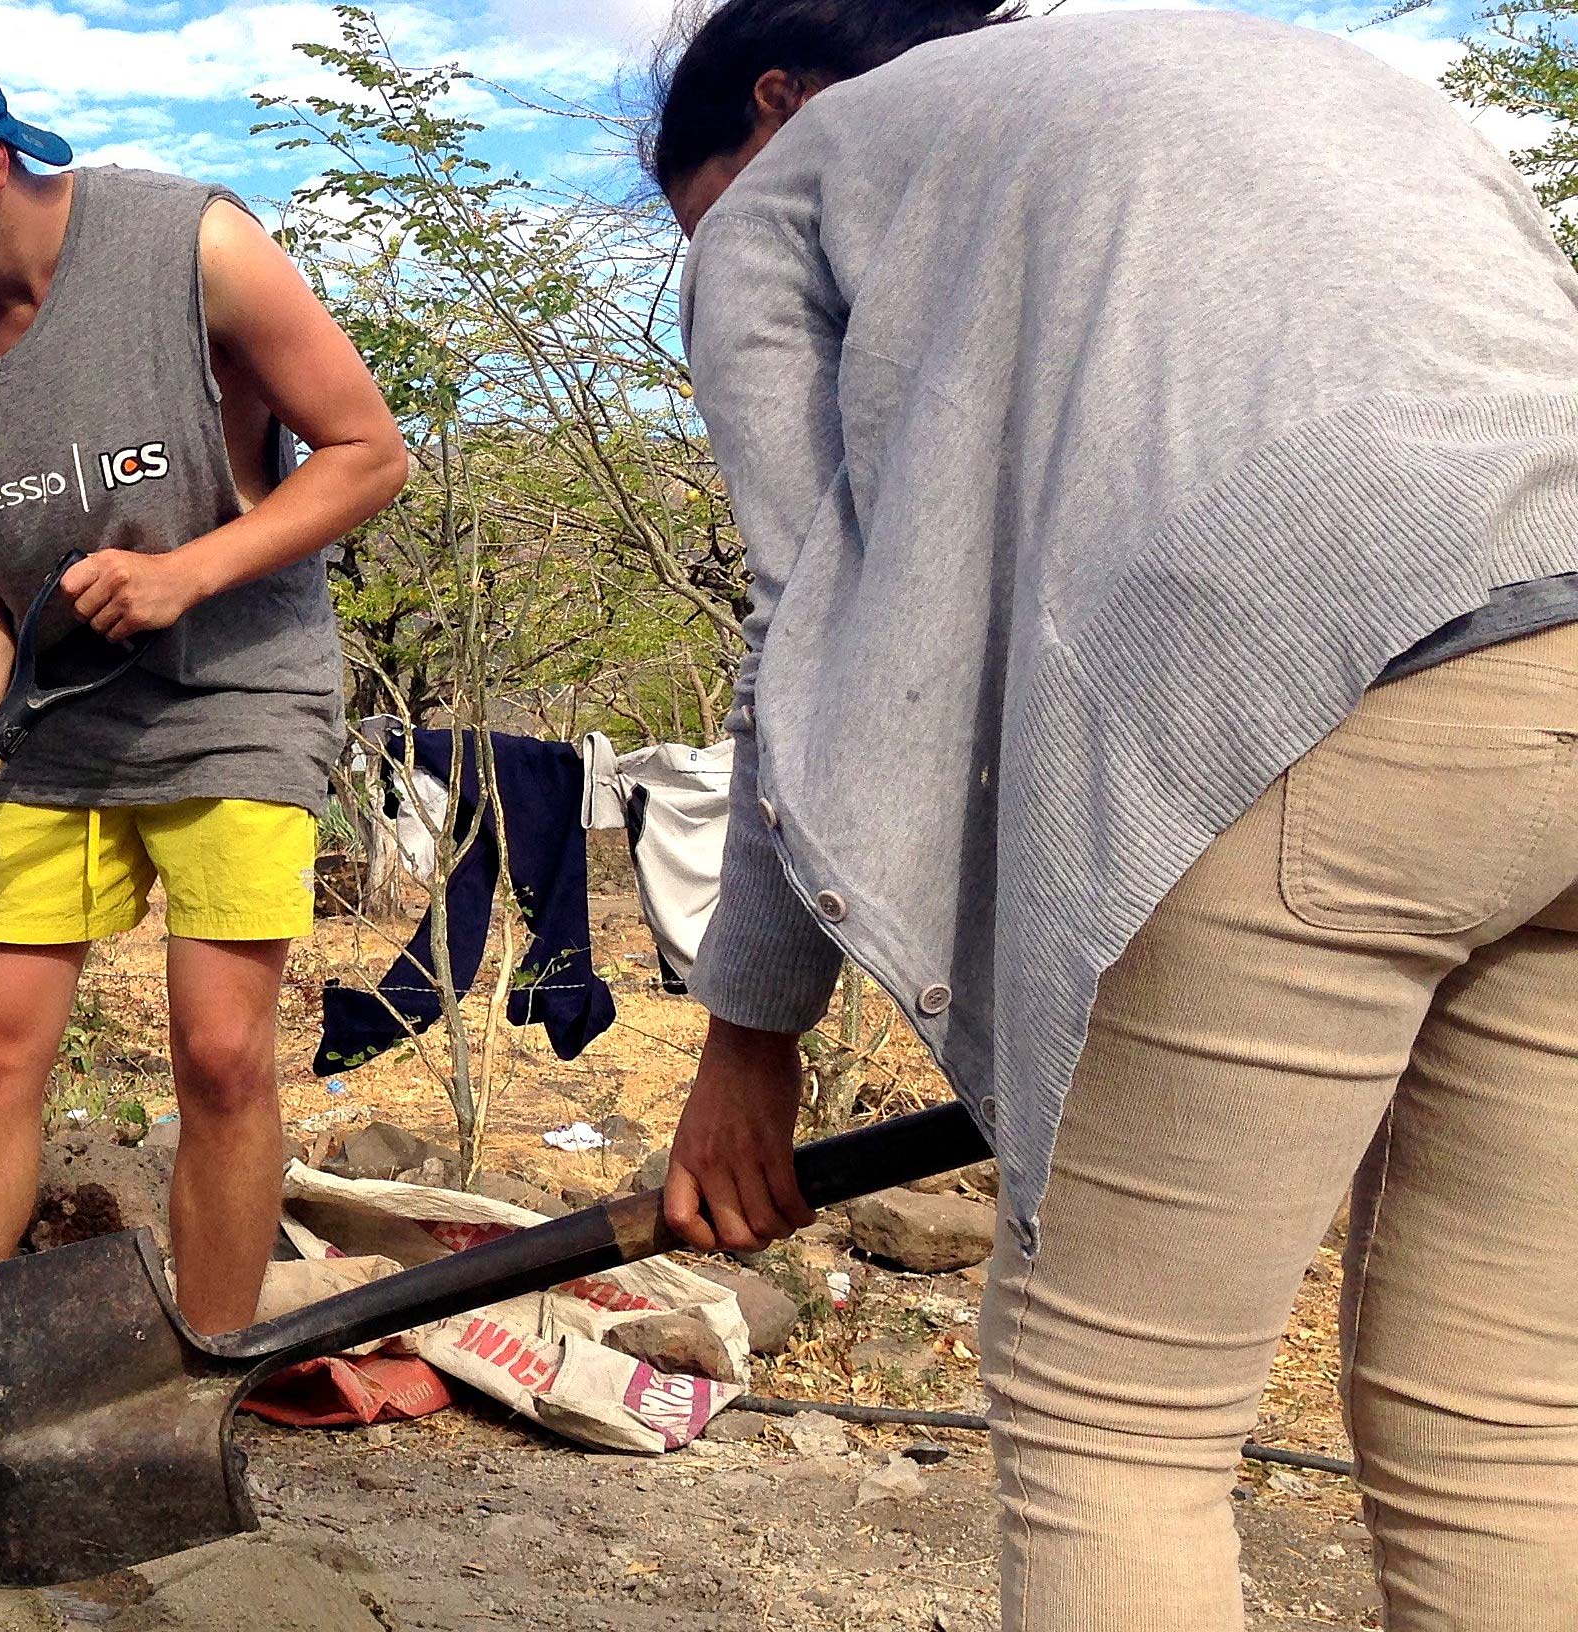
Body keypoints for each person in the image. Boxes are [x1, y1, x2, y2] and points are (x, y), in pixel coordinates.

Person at [647, 3, 1578, 1627]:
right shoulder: (1265, 72)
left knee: (1117, 1423)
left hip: (1311, 689)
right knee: (1494, 1422)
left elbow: (800, 632)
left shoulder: (811, 177)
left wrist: (748, 1036)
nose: (704, 268)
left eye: (695, 219)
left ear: (775, 105)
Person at [0, 6, 409, 1337]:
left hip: (236, 690)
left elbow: (369, 453)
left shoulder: (194, 250)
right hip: (42, 715)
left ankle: (206, 1375)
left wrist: (186, 574)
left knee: (220, 1050)